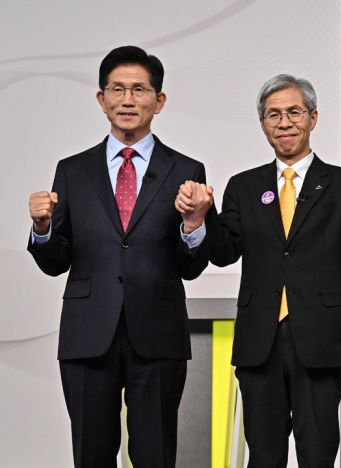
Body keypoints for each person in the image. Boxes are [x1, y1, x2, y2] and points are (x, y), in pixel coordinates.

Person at [175, 74, 341, 468]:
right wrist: (199, 219)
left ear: (313, 118)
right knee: (263, 455)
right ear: (262, 124)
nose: (284, 122)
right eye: (274, 115)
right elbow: (224, 253)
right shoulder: (243, 186)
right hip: (260, 341)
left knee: (318, 455)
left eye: (294, 112)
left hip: (322, 339)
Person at [27, 45, 211, 467]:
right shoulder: (72, 170)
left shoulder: (187, 170)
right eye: (117, 89)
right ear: (102, 98)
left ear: (159, 101)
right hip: (88, 333)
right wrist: (42, 228)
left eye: (139, 90)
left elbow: (191, 266)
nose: (128, 100)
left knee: (155, 455)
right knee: (91, 455)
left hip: (158, 334)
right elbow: (56, 262)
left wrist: (193, 225)